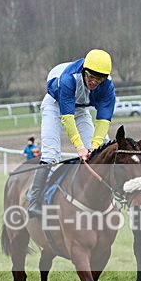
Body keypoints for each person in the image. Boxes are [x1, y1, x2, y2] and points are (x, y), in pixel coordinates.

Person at [28, 49, 116, 218]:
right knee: (51, 153)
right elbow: (67, 118)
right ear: (84, 71)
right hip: (55, 105)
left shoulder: (107, 87)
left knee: (101, 149)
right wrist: (80, 148)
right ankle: (34, 201)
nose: (94, 82)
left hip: (81, 108)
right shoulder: (69, 79)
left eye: (99, 79)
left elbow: (104, 121)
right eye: (90, 77)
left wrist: (94, 146)